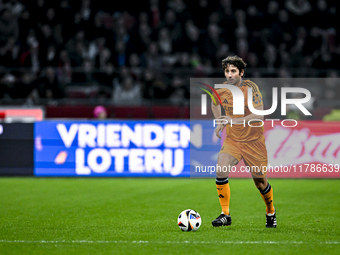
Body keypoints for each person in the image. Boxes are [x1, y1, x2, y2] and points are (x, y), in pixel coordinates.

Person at [211, 55, 276, 228]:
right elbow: (214, 103)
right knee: (221, 169)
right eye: (227, 71)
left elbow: (259, 114)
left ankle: (270, 211)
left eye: (233, 71)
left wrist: (232, 121)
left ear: (241, 73)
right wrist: (219, 121)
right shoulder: (222, 89)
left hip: (254, 142)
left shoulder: (251, 88)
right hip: (233, 140)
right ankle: (226, 215)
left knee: (260, 182)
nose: (230, 75)